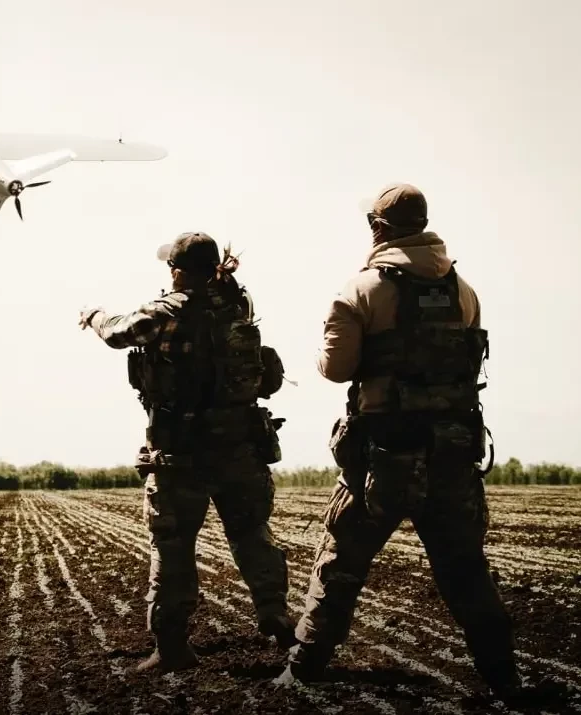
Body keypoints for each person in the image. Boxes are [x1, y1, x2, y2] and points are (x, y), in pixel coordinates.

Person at [277, 183, 524, 698]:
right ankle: (504, 677)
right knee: (466, 571)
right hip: (452, 456)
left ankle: (303, 669)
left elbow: (336, 369)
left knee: (340, 565)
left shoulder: (361, 290)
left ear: (378, 228)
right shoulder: (464, 291)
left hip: (382, 459)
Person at [79, 231, 295, 674]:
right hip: (241, 449)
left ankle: (172, 647)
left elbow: (118, 333)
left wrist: (93, 315)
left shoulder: (165, 313)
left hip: (181, 455)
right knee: (251, 533)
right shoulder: (237, 309)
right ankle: (276, 616)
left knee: (173, 546)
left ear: (176, 272)